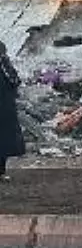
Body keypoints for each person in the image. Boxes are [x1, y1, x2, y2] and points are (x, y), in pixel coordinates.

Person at [0, 40, 26, 181]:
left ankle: (1, 171)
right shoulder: (4, 64)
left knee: (3, 140)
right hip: (4, 107)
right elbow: (14, 80)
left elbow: (14, 80)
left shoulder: (4, 64)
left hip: (4, 107)